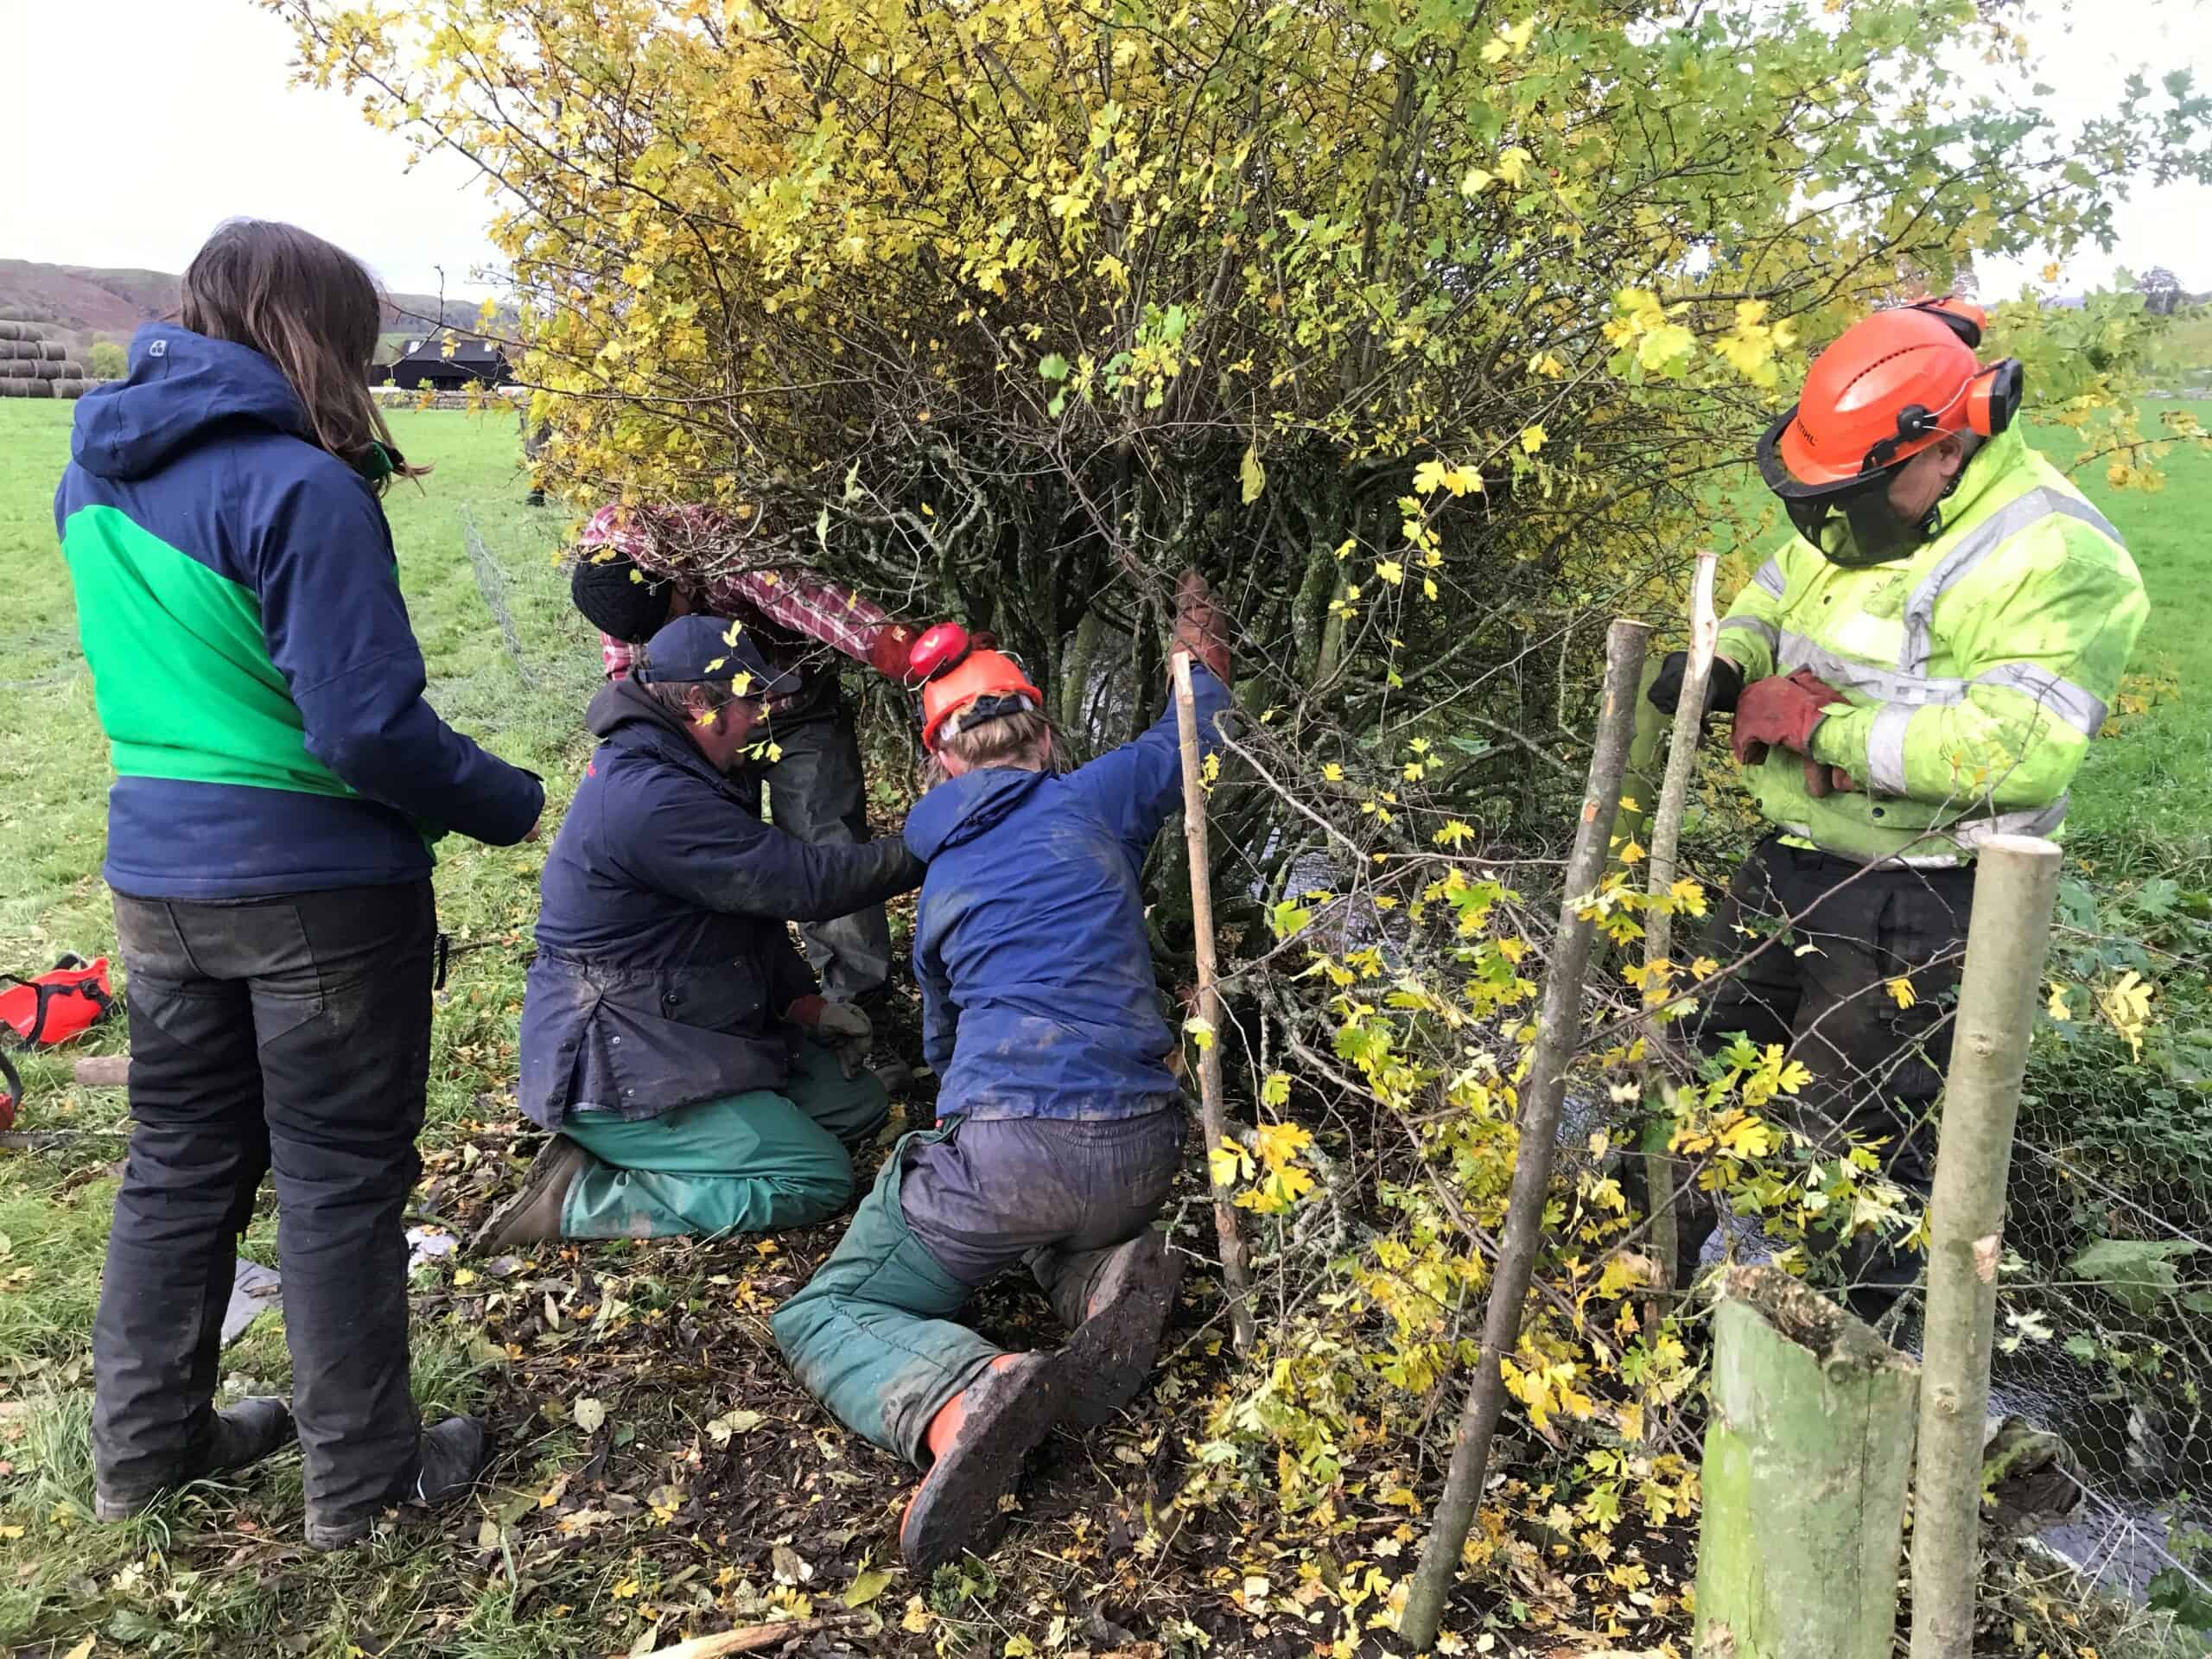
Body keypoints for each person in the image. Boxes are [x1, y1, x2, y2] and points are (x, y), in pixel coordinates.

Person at [54, 219, 545, 1548]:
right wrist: (509, 802)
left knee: (178, 1168)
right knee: (335, 1181)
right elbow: (366, 731)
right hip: (318, 891)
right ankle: (366, 1478)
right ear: (316, 334)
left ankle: (146, 1453)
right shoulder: (300, 488)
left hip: (156, 878)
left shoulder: (87, 479)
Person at [1645, 296, 2148, 1306]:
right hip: (1792, 860)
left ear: (1950, 442)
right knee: (1683, 1080)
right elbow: (1777, 588)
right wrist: (1729, 663)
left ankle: (1846, 1378)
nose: (1837, 512)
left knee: (1854, 1158)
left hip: (1919, 901)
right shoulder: (1863, 511)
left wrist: (1810, 728)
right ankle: (1635, 1295)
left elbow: (2017, 751)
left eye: (1861, 487)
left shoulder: (2053, 555)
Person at [772, 575, 1233, 1572]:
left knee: (821, 1310)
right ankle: (1099, 1277)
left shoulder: (937, 883)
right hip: (1146, 1144)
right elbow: (1199, 723)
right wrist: (1194, 613)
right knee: (1044, 1217)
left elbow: (945, 1057)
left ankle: (957, 1400)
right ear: (1045, 734)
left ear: (938, 763)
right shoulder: (1095, 801)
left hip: (1012, 1150)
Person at [474, 614, 925, 1250]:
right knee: (814, 1175)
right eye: (750, 701)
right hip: (616, 1058)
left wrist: (804, 1004)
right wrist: (926, 843)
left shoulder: (690, 767)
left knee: (858, 1107)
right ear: (698, 703)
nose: (760, 716)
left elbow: (743, 911)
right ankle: (582, 1198)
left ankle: (682, 1144)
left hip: (675, 1020)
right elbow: (802, 882)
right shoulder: (654, 799)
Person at [568, 509, 925, 1079]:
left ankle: (862, 1006)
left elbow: (810, 601)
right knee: (729, 867)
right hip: (705, 729)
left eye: (674, 617)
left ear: (674, 584)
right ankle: (777, 1004)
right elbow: (632, 680)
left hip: (795, 706)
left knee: (825, 837)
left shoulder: (709, 540)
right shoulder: (615, 590)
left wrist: (908, 655)